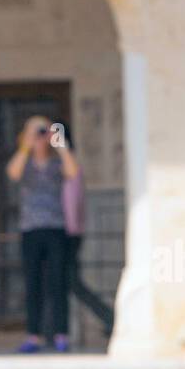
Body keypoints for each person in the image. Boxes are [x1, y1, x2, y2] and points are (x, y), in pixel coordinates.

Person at [6, 115, 79, 353]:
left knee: (58, 282)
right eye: (35, 132)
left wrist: (59, 143)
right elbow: (13, 173)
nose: (39, 137)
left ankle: (61, 334)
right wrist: (27, 145)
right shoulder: (24, 162)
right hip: (30, 229)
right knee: (33, 284)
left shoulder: (57, 162)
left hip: (56, 228)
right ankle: (33, 335)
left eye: (42, 132)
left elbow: (72, 171)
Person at [61, 129, 114, 337]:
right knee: (62, 283)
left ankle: (110, 318)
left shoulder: (68, 165)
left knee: (72, 283)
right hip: (65, 231)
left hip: (68, 233)